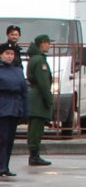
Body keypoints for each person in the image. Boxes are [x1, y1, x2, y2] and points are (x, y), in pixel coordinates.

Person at [25, 35, 53, 167]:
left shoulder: (34, 58)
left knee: (34, 128)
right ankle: (34, 155)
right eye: (47, 43)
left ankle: (34, 154)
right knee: (36, 129)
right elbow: (43, 83)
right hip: (38, 99)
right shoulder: (39, 60)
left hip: (35, 97)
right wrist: (49, 100)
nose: (49, 45)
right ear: (42, 44)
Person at [0, 42, 26, 177]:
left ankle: (5, 166)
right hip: (2, 106)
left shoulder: (18, 70)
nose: (9, 56)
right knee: (2, 138)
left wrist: (25, 110)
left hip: (15, 107)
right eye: (7, 53)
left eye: (12, 54)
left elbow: (24, 90)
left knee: (9, 139)